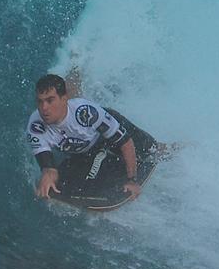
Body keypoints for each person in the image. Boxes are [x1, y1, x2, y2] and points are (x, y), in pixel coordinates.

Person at [26, 73, 153, 201]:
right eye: (40, 101)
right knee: (59, 188)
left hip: (106, 132)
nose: (44, 108)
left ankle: (172, 150)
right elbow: (49, 169)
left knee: (153, 150)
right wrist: (47, 177)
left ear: (64, 99)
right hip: (84, 151)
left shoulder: (87, 112)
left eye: (50, 100)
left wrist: (132, 180)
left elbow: (125, 142)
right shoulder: (36, 126)